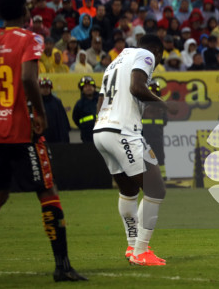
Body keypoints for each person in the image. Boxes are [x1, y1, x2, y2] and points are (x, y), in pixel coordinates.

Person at [0, 0, 86, 283]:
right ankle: (62, 266)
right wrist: (40, 113)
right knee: (47, 191)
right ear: (25, 11)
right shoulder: (29, 39)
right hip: (20, 131)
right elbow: (27, 77)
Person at [93, 34, 169, 266]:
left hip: (101, 130)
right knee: (155, 189)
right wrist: (164, 105)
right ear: (156, 51)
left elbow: (100, 102)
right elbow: (136, 87)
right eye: (159, 58)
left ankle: (132, 244)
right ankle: (141, 251)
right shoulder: (146, 55)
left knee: (128, 190)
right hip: (123, 131)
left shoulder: (114, 62)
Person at [141, 82, 168, 179]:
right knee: (145, 156)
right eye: (151, 90)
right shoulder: (142, 103)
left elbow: (165, 120)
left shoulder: (161, 104)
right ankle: (146, 177)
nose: (153, 93)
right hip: (145, 135)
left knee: (160, 156)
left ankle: (162, 176)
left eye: (155, 90)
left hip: (157, 135)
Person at [39, 77, 70, 144]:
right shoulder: (36, 102)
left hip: (56, 138)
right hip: (41, 137)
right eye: (43, 87)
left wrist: (65, 139)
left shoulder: (57, 102)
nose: (45, 89)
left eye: (47, 87)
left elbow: (63, 121)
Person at [72, 75, 99, 144]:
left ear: (94, 87)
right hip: (87, 136)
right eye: (85, 87)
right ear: (82, 89)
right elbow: (75, 118)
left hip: (101, 133)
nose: (88, 88)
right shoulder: (79, 104)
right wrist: (84, 126)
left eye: (90, 86)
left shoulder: (101, 100)